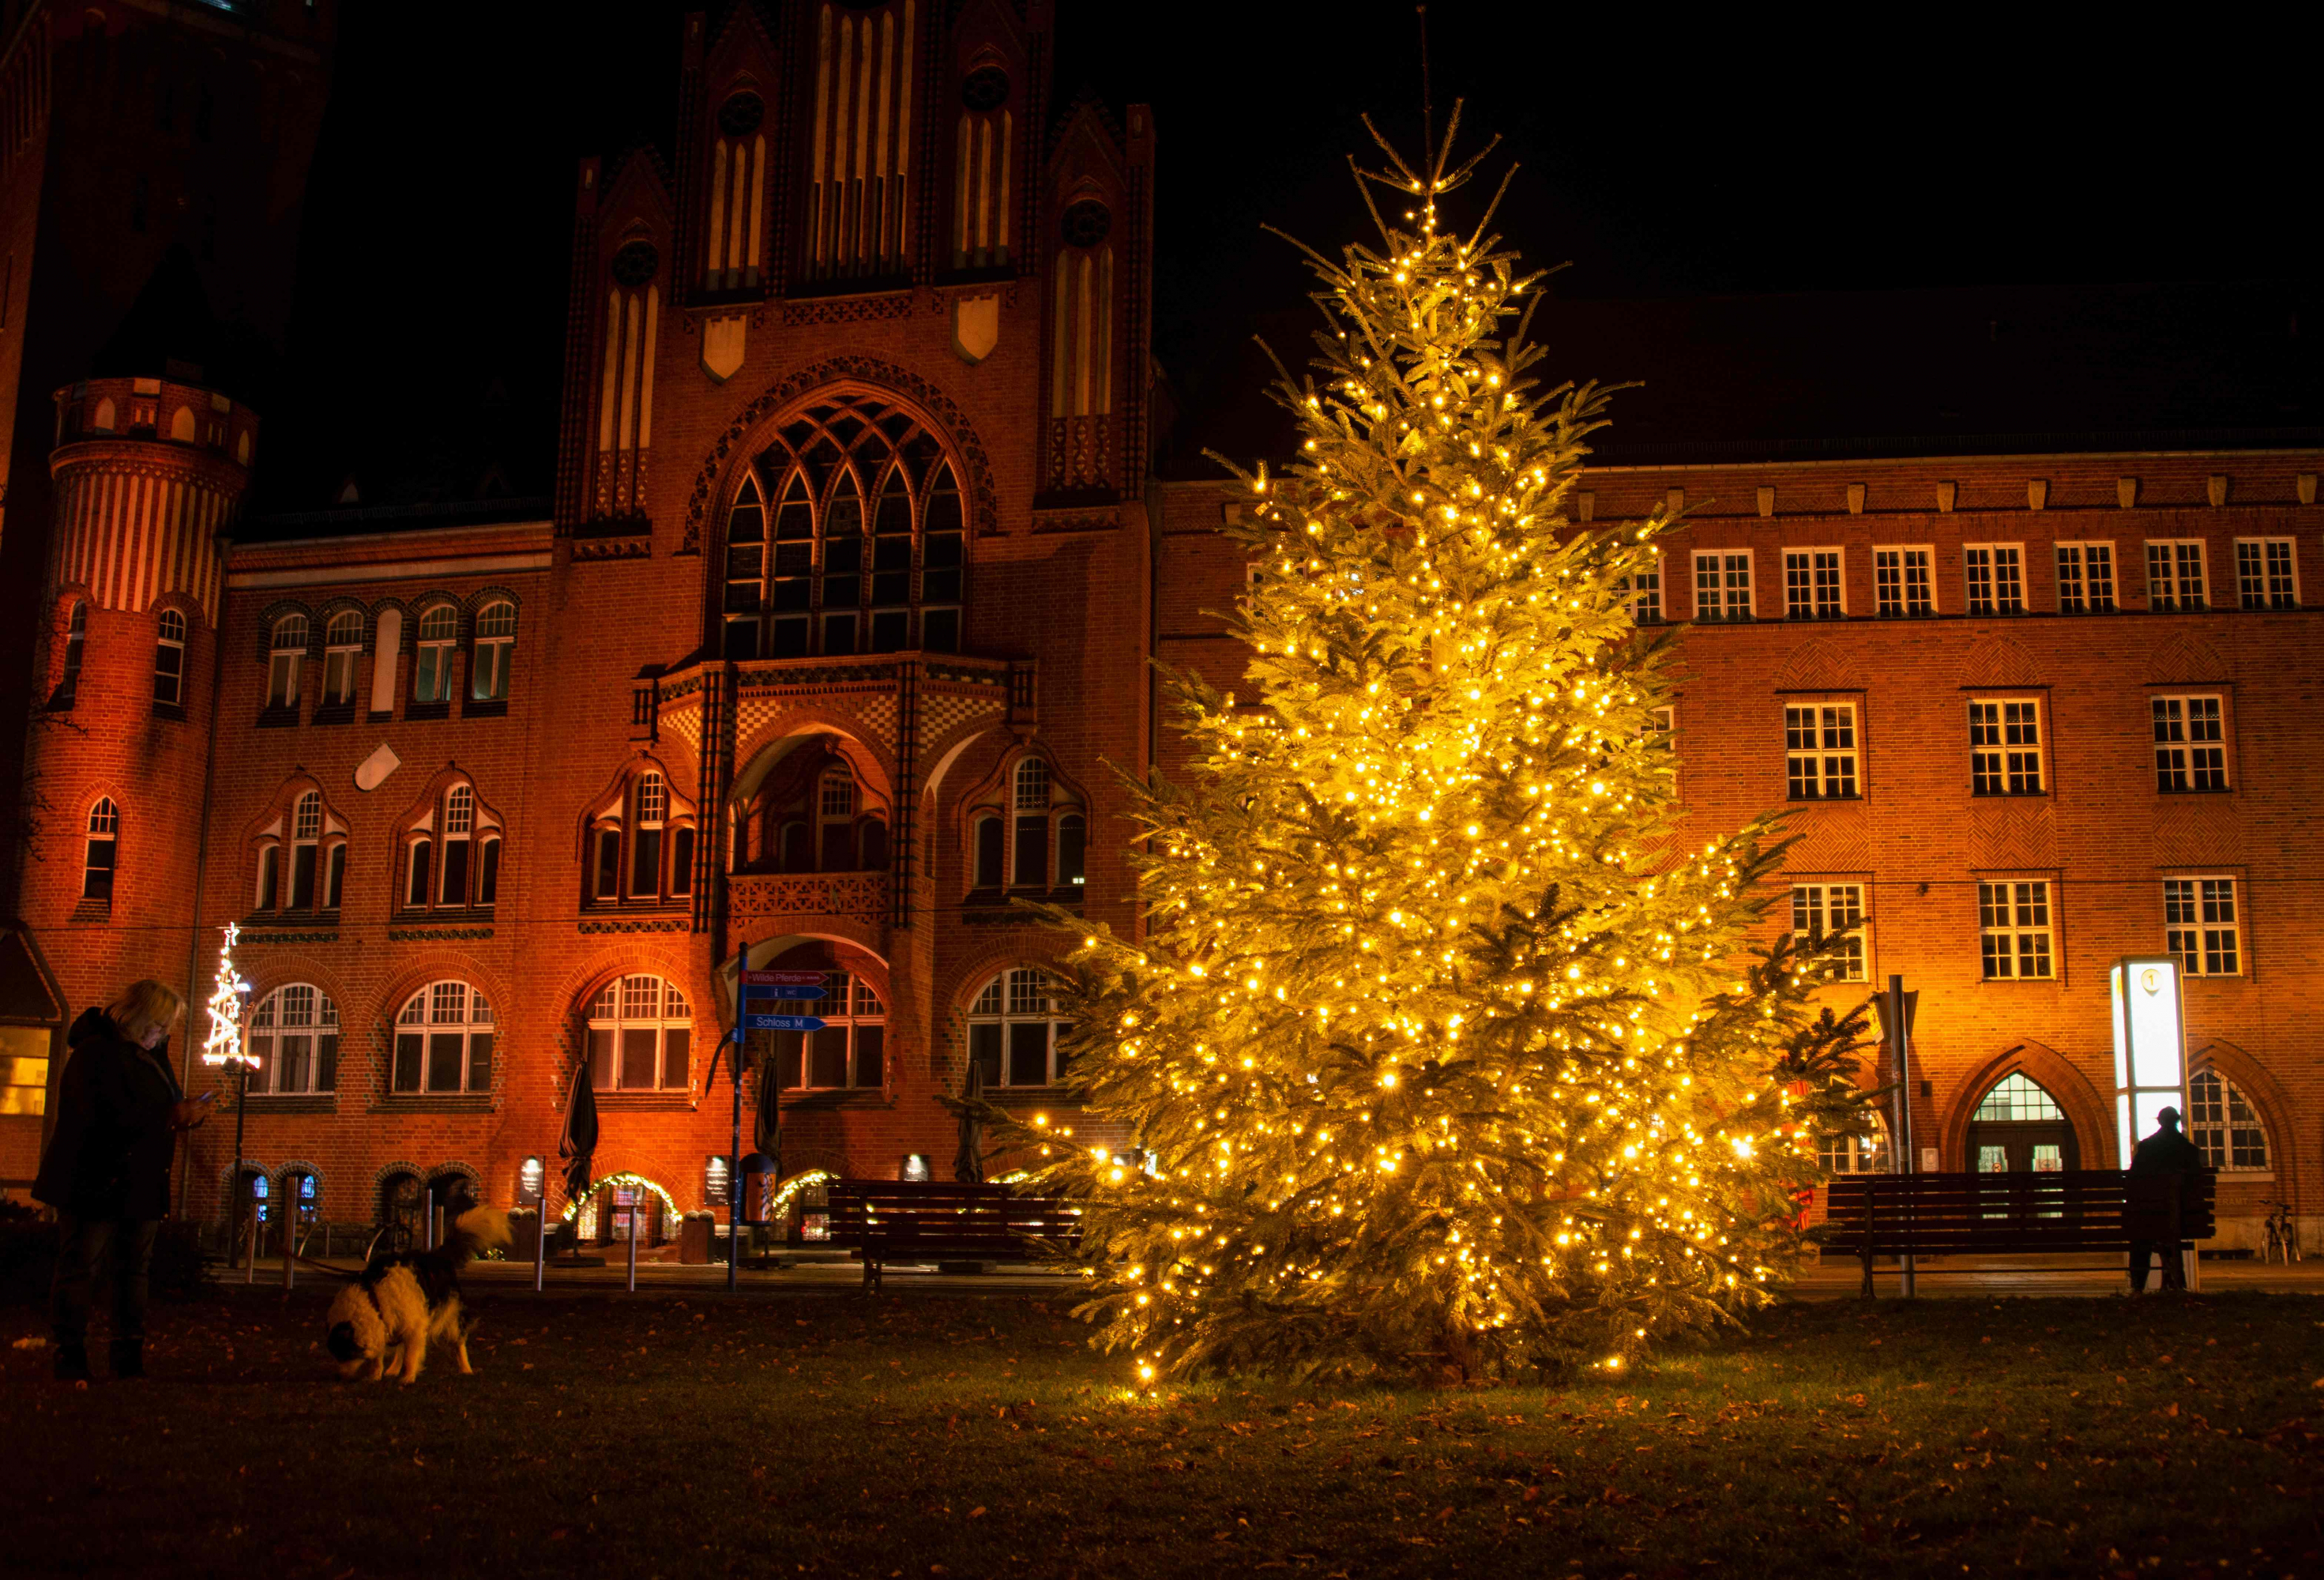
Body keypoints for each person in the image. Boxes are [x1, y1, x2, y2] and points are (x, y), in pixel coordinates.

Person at [30, 980, 209, 1381]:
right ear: (139, 1017)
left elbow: (156, 1105)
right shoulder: (95, 1053)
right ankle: (70, 1352)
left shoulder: (149, 1056)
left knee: (133, 1269)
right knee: (83, 1266)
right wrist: (168, 1117)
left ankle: (127, 1351)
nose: (162, 1034)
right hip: (95, 1179)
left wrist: (183, 1114)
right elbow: (100, 1115)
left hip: (139, 1179)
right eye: (159, 1025)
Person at [2126, 1106, 2205, 1294]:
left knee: (2141, 1239)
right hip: (2184, 1220)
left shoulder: (2147, 1148)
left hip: (2148, 1218)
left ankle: (2137, 1285)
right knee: (2172, 1232)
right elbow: (2196, 1185)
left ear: (2160, 1122)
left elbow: (2133, 1181)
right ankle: (2177, 1282)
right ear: (2177, 1121)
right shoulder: (2190, 1151)